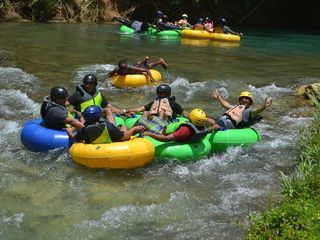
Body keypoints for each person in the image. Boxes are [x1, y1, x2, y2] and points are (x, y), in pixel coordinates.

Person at [68, 105, 145, 144]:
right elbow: (124, 137)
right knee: (123, 126)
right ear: (98, 117)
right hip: (113, 143)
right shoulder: (107, 126)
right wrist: (134, 129)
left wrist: (69, 131)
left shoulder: (84, 130)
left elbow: (75, 138)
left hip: (95, 149)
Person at [142, 108, 217, 142]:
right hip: (167, 125)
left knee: (144, 116)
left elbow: (166, 139)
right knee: (161, 113)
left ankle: (132, 135)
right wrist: (215, 127)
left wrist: (149, 134)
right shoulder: (202, 128)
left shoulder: (184, 130)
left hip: (159, 131)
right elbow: (209, 128)